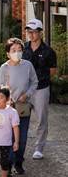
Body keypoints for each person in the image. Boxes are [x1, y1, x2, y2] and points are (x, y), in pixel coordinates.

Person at [0, 38, 38, 176]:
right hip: (8, 108)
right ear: (8, 54)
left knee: (22, 137)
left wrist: (27, 94)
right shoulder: (4, 68)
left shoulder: (28, 66)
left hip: (23, 107)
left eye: (19, 50)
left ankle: (18, 161)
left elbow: (34, 82)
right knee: (9, 137)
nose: (17, 52)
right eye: (13, 50)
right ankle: (8, 164)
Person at [22, 19, 57, 160]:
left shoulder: (48, 51)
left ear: (41, 32)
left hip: (41, 88)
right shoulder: (23, 48)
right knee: (20, 118)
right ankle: (19, 147)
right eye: (29, 32)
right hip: (24, 89)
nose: (31, 34)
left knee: (41, 119)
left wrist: (39, 78)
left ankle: (39, 147)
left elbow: (52, 71)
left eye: (34, 32)